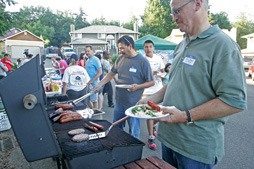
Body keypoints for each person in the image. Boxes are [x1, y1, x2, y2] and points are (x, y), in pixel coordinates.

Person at [138, 0, 247, 168]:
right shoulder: (182, 45)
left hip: (195, 148)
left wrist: (185, 116)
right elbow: (175, 82)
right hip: (168, 139)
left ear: (197, 4)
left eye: (177, 11)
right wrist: (151, 98)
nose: (174, 18)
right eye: (172, 13)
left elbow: (234, 101)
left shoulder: (223, 45)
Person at [94, 35, 155, 139]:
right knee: (116, 129)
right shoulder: (120, 59)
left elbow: (151, 82)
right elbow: (111, 74)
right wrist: (100, 84)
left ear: (130, 46)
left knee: (133, 133)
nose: (120, 51)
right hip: (119, 102)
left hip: (133, 104)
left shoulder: (143, 61)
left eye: (122, 48)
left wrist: (138, 87)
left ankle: (133, 153)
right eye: (119, 48)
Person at [142, 40, 165, 150]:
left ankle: (153, 126)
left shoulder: (158, 58)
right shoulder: (142, 59)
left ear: (153, 48)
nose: (148, 49)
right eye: (146, 47)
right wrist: (150, 74)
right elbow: (140, 75)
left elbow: (163, 71)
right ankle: (151, 137)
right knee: (149, 115)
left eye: (150, 46)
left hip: (158, 90)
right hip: (146, 92)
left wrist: (159, 74)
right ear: (144, 48)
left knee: (158, 113)